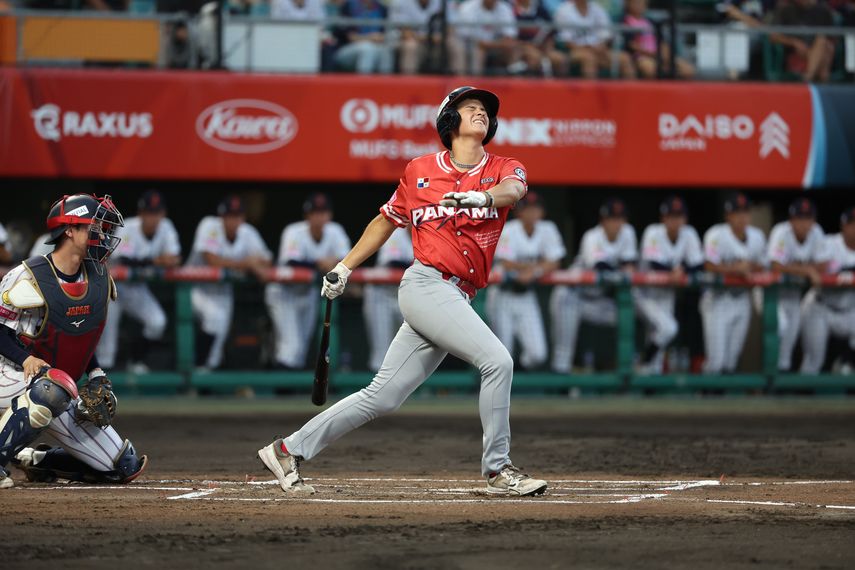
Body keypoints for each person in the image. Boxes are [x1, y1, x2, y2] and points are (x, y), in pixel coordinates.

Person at [257, 86, 547, 497]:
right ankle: (498, 470)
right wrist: (344, 266)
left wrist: (482, 197)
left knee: (383, 396)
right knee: (497, 362)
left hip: (458, 294)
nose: (480, 113)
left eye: (484, 110)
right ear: (450, 120)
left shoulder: (503, 167)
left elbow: (514, 191)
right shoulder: (419, 170)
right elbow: (387, 219)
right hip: (426, 284)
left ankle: (287, 449)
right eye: (470, 108)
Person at [0, 194, 146, 489]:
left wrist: (96, 373)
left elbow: (79, 336)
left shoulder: (98, 276)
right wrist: (26, 359)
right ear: (70, 230)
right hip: (9, 371)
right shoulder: (28, 276)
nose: (103, 235)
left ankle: (36, 460)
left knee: (123, 467)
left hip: (52, 386)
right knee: (51, 390)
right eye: (95, 227)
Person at [96, 190, 182, 372]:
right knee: (108, 340)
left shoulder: (166, 227)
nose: (153, 218)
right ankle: (102, 376)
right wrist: (157, 260)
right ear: (141, 213)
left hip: (136, 288)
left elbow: (175, 259)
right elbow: (125, 259)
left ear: (163, 213)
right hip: (113, 288)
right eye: (149, 213)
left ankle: (136, 361)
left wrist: (155, 261)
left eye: (156, 213)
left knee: (157, 322)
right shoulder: (129, 226)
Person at [550, 198, 637, 373]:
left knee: (626, 316)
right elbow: (601, 267)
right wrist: (622, 270)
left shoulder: (627, 233)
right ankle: (560, 390)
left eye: (620, 218)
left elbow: (630, 264)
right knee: (564, 349)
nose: (616, 223)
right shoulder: (592, 236)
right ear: (603, 221)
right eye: (612, 219)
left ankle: (624, 367)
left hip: (597, 301)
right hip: (571, 295)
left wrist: (624, 270)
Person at [265, 193, 351, 370]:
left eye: (323, 212)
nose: (319, 217)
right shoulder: (294, 231)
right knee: (291, 344)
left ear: (330, 215)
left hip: (309, 292)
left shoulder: (335, 231)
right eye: (315, 212)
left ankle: (288, 391)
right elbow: (292, 261)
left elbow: (348, 258)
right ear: (307, 216)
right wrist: (322, 263)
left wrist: (331, 262)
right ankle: (281, 388)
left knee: (301, 346)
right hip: (284, 293)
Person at [187, 196, 272, 370]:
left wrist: (253, 263)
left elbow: (267, 260)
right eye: (229, 216)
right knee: (214, 320)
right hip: (196, 286)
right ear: (222, 217)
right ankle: (198, 368)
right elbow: (211, 259)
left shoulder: (247, 233)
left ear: (242, 218)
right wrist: (247, 264)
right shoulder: (209, 226)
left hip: (223, 290)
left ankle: (206, 374)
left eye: (237, 216)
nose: (233, 220)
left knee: (219, 334)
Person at [487, 192, 564, 370]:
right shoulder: (509, 229)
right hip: (502, 296)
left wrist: (534, 271)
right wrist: (536, 267)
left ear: (542, 212)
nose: (532, 213)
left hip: (525, 296)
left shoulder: (548, 229)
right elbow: (506, 263)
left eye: (535, 209)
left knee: (538, 354)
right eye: (527, 209)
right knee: (502, 355)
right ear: (519, 212)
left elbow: (555, 262)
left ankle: (518, 373)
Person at [634, 196, 704, 374]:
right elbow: (654, 263)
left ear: (685, 219)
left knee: (659, 338)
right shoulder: (653, 232)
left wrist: (681, 271)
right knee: (668, 328)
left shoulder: (689, 234)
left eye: (679, 216)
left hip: (666, 293)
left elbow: (698, 264)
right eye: (671, 216)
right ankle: (643, 362)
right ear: (663, 218)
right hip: (644, 293)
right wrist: (677, 271)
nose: (675, 221)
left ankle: (647, 378)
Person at [701, 193, 767, 374]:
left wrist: (749, 267)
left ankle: (723, 400)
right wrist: (736, 269)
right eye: (737, 213)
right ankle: (706, 396)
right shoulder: (716, 234)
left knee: (731, 360)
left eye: (745, 212)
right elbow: (708, 264)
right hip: (717, 300)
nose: (742, 217)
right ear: (728, 216)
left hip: (742, 299)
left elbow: (764, 265)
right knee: (716, 361)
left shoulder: (757, 236)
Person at [767, 198, 826, 372]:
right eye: (799, 218)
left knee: (789, 343)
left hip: (792, 295)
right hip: (770, 294)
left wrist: (798, 269)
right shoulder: (781, 232)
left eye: (808, 218)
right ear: (791, 220)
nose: (804, 223)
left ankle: (778, 388)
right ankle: (769, 375)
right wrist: (807, 270)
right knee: (780, 325)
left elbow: (823, 264)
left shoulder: (816, 232)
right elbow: (775, 265)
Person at [799, 207, 855, 374]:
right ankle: (802, 395)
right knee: (814, 360)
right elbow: (816, 268)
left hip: (848, 311)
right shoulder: (829, 243)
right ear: (843, 226)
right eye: (852, 224)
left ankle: (846, 361)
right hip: (820, 306)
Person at [363, 227, 413, 372]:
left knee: (410, 348)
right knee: (382, 350)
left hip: (406, 295)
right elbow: (393, 264)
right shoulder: (395, 233)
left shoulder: (428, 234)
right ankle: (375, 388)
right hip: (381, 294)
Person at [550, 0, 636, 78]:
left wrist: (601, 47)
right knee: (589, 58)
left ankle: (631, 94)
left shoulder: (597, 9)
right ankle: (590, 95)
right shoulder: (564, 10)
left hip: (599, 50)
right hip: (575, 50)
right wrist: (589, 49)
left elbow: (606, 35)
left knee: (624, 58)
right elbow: (566, 41)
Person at [390, 0, 466, 74]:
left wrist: (442, 35)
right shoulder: (400, 2)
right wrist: (426, 37)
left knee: (457, 46)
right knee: (410, 46)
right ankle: (409, 81)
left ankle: (460, 82)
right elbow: (404, 30)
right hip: (414, 38)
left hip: (440, 37)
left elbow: (451, 25)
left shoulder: (445, 2)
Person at [623, 0, 694, 79]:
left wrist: (666, 54)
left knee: (688, 70)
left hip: (659, 55)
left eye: (642, 3)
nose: (640, 6)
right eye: (636, 3)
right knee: (651, 70)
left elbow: (662, 41)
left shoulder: (651, 22)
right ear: (628, 4)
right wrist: (653, 54)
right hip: (642, 57)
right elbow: (632, 45)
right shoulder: (626, 22)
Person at [771, 0, 836, 82]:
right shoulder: (785, 9)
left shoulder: (823, 10)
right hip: (795, 51)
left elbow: (832, 38)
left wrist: (816, 50)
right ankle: (822, 80)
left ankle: (808, 77)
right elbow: (773, 37)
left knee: (823, 42)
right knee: (825, 53)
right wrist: (794, 42)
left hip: (819, 48)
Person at [457, 0, 519, 76]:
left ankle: (514, 82)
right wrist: (495, 44)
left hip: (496, 45)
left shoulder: (504, 8)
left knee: (513, 49)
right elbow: (467, 36)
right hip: (472, 44)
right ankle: (475, 84)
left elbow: (510, 37)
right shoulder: (468, 7)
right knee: (478, 53)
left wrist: (493, 44)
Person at [333, 0, 395, 74]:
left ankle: (385, 84)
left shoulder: (382, 8)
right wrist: (370, 37)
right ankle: (363, 83)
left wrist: (381, 37)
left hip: (376, 47)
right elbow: (351, 37)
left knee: (386, 51)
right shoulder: (348, 6)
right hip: (346, 50)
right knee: (368, 48)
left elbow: (385, 35)